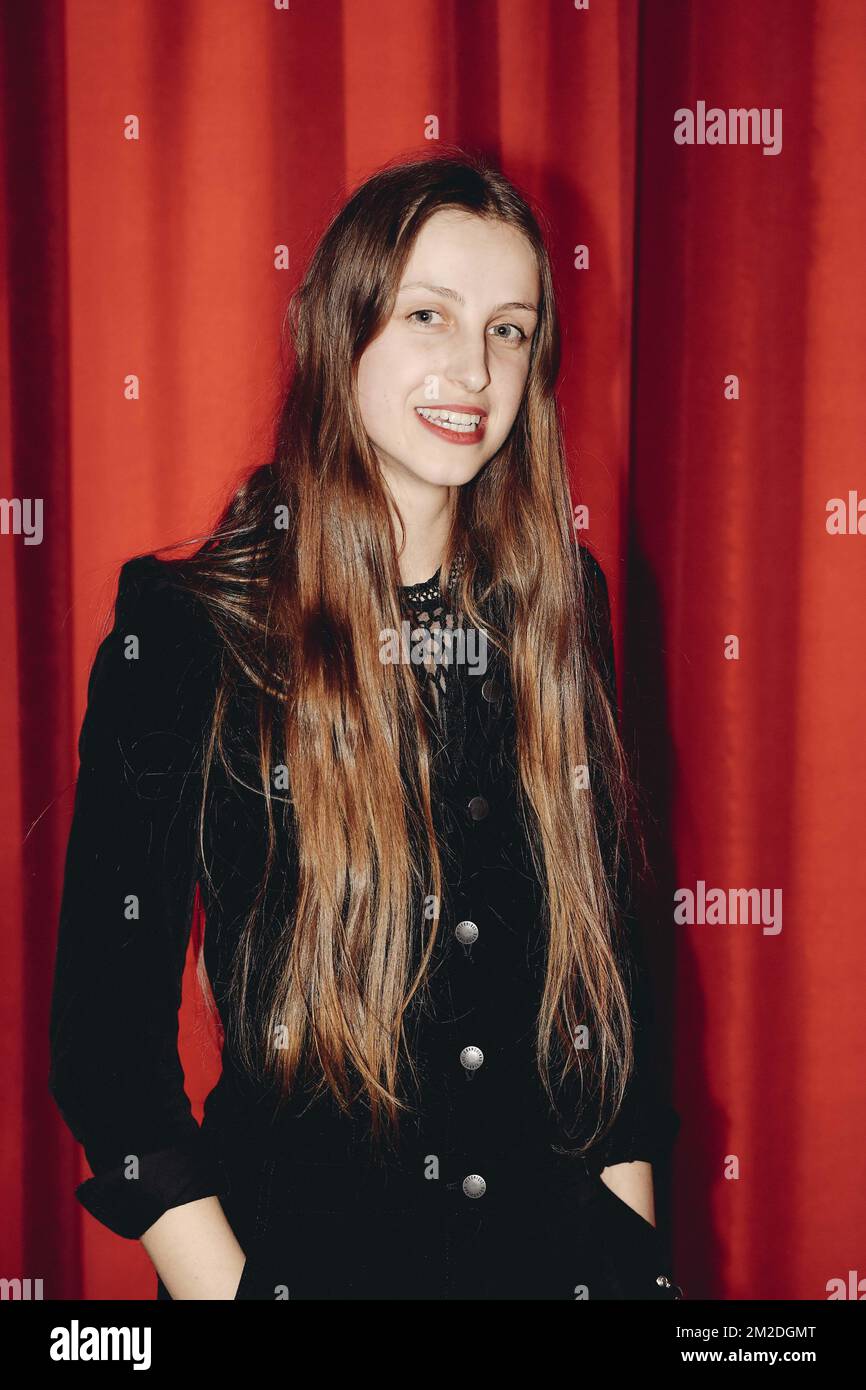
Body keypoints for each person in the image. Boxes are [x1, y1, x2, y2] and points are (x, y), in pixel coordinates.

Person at [48, 151, 682, 1300]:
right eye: (428, 315)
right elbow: (105, 1050)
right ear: (341, 331)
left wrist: (631, 1257)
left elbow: (611, 986)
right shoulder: (189, 630)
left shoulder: (559, 604)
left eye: (509, 329)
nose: (472, 368)